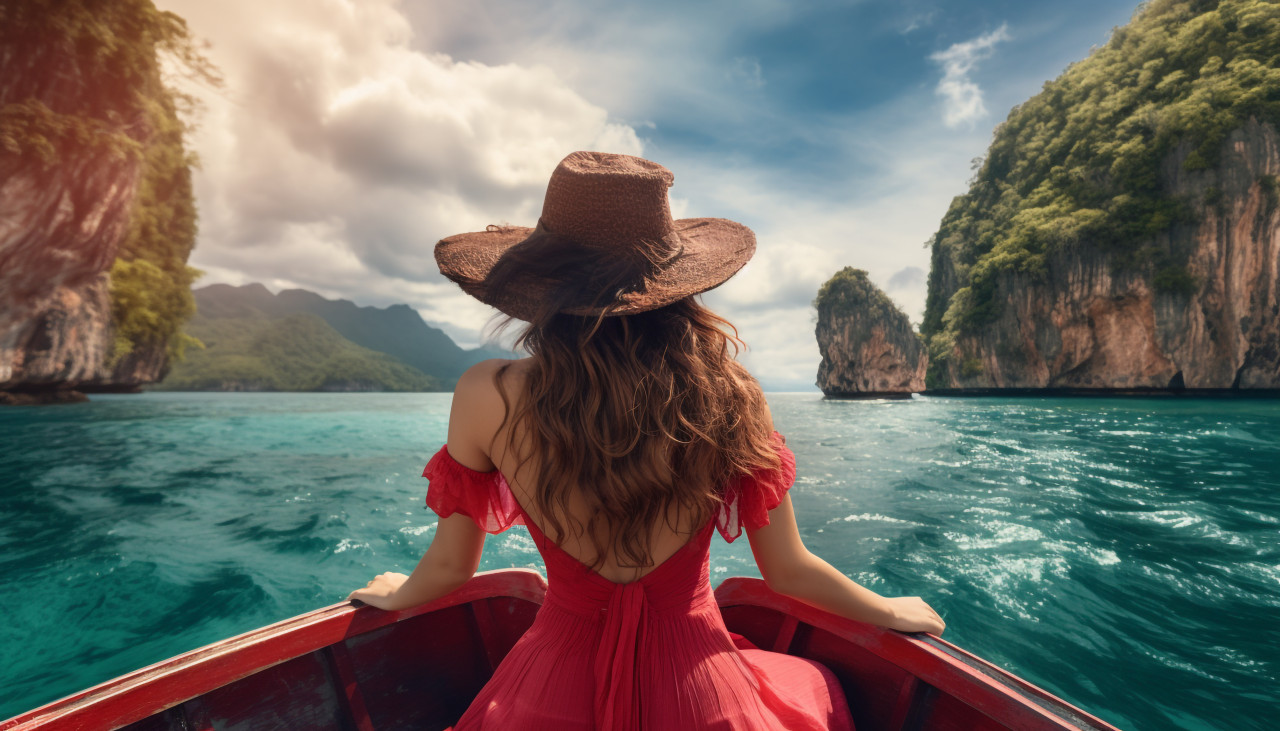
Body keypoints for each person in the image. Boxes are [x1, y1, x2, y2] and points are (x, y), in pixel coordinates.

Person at [350, 151, 945, 730]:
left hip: (551, 688)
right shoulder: (732, 394)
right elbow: (787, 571)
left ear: (542, 286)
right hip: (703, 694)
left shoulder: (487, 392)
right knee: (814, 687)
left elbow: (453, 566)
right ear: (677, 285)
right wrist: (888, 611)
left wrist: (401, 593)